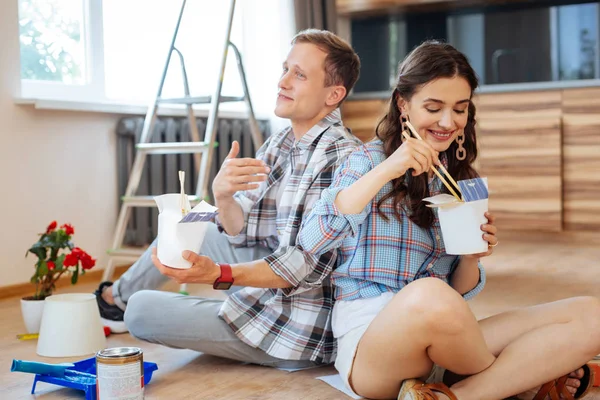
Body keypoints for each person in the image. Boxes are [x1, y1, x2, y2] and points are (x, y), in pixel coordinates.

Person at [298, 40, 600, 399]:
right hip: (373, 348)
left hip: (448, 340)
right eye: (433, 107)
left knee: (591, 313)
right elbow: (311, 240)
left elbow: (457, 293)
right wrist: (388, 168)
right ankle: (524, 379)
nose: (448, 122)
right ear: (403, 103)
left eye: (460, 109)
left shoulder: (462, 181)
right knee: (429, 294)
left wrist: (472, 255)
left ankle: (455, 395)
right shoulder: (365, 161)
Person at [95, 29, 362, 369]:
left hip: (297, 325)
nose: (283, 81)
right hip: (272, 283)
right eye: (285, 68)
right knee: (190, 223)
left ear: (333, 94)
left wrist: (218, 274)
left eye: (299, 74)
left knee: (143, 311)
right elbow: (239, 228)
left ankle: (124, 305)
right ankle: (113, 300)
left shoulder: (340, 156)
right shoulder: (282, 143)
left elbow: (300, 267)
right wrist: (221, 195)